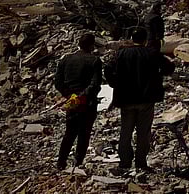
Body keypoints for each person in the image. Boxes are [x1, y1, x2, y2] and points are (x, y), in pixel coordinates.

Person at [104, 27, 175, 172]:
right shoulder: (151, 53)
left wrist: (115, 83)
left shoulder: (121, 54)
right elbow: (169, 67)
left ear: (131, 38)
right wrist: (158, 77)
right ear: (145, 39)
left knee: (125, 131)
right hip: (146, 99)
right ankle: (141, 163)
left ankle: (124, 162)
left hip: (126, 99)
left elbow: (107, 69)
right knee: (144, 132)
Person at [54, 33, 103, 170]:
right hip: (87, 103)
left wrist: (70, 96)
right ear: (92, 45)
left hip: (72, 101)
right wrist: (82, 96)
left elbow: (58, 82)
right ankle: (78, 162)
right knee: (84, 133)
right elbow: (95, 85)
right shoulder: (94, 61)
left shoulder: (66, 59)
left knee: (69, 132)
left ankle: (61, 162)